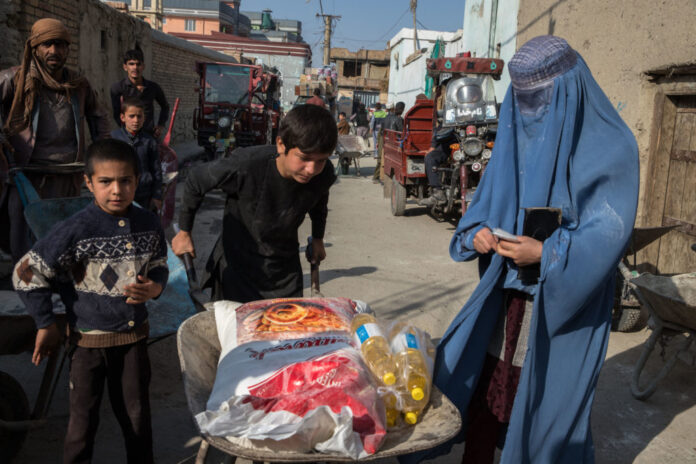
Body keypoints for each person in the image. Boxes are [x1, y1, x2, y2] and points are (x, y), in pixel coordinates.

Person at [403, 36, 639, 464]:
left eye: (540, 100)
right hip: (505, 295)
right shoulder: (516, 138)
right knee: (489, 387)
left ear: (569, 91)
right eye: (522, 100)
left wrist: (547, 253)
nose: (530, 113)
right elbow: (484, 208)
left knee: (547, 403)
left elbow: (607, 234)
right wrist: (477, 234)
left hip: (567, 300)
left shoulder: (613, 149)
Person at [13, 138, 169, 464]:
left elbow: (159, 264)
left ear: (137, 180)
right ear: (88, 182)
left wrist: (155, 287)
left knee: (137, 420)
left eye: (125, 181)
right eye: (106, 181)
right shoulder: (77, 230)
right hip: (87, 345)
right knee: (82, 425)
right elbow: (25, 273)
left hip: (133, 341)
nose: (117, 190)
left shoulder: (149, 224)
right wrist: (45, 323)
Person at [171, 104, 337, 302]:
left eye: (320, 160)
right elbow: (196, 180)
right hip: (237, 266)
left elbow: (319, 202)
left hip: (284, 269)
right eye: (304, 158)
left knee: (288, 318)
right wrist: (184, 232)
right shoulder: (246, 164)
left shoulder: (323, 173)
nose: (311, 169)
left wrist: (317, 238)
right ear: (281, 144)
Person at [0, 18, 110, 263]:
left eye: (60, 45)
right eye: (47, 44)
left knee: (64, 243)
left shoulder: (78, 84)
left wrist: (104, 156)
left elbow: (99, 117)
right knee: (25, 246)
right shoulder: (15, 79)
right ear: (35, 47)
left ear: (67, 49)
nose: (54, 51)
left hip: (68, 179)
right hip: (27, 178)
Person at [111, 97, 162, 212]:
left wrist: (157, 195)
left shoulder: (149, 141)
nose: (136, 120)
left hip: (144, 194)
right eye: (131, 116)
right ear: (123, 117)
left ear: (144, 118)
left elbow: (156, 170)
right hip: (120, 193)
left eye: (139, 116)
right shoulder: (114, 138)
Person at [110, 48, 169, 139]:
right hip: (127, 136)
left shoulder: (153, 87)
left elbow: (165, 106)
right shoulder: (118, 88)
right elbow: (117, 113)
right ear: (125, 67)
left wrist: (161, 125)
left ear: (143, 66)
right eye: (131, 64)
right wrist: (126, 129)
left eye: (138, 64)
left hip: (149, 136)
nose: (135, 68)